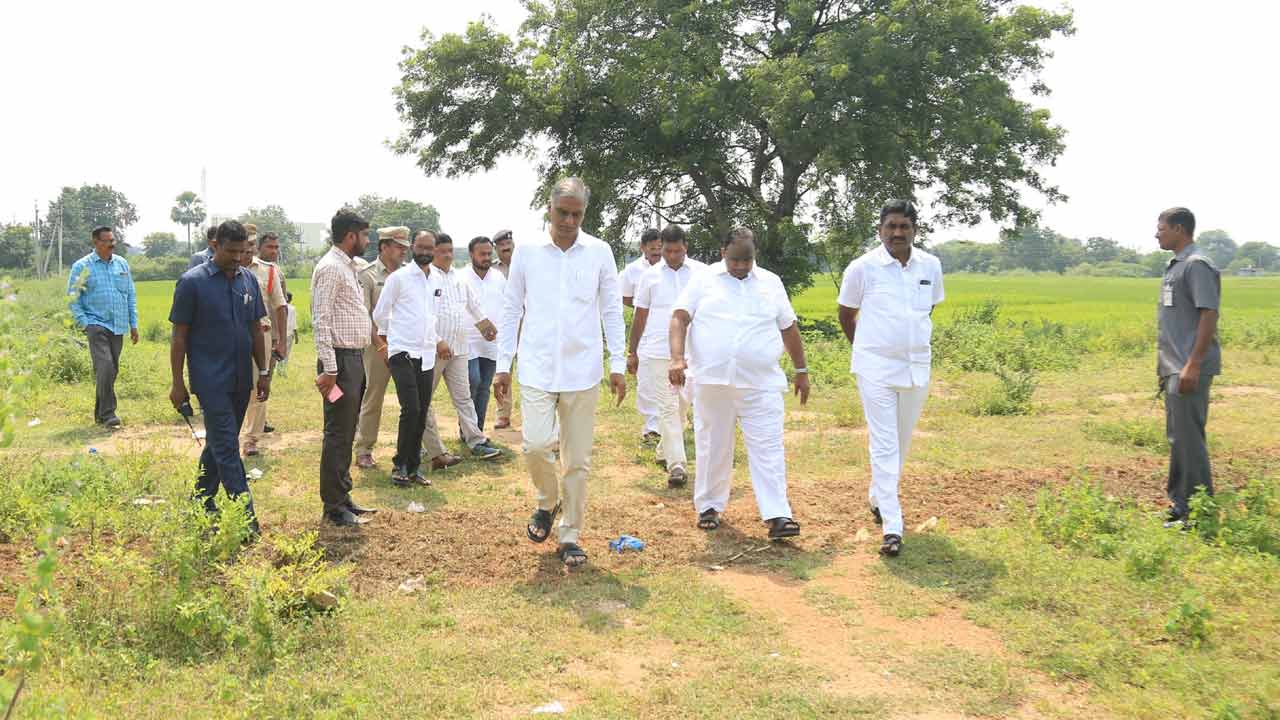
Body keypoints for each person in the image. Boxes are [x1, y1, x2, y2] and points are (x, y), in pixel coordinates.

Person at [494, 177, 627, 568]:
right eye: (562, 212)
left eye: (576, 214)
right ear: (548, 210)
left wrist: (617, 363)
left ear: (584, 214)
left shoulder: (599, 252)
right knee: (535, 445)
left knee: (578, 461)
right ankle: (547, 502)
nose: (569, 220)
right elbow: (511, 309)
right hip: (536, 367)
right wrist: (504, 364)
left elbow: (611, 311)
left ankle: (570, 535)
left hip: (583, 371)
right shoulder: (528, 253)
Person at [669, 227, 809, 540]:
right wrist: (677, 358)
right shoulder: (704, 280)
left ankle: (777, 514)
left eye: (747, 259)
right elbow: (679, 317)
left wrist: (802, 369)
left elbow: (788, 327)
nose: (742, 266)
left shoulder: (770, 282)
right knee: (712, 444)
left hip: (760, 383)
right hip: (713, 381)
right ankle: (709, 507)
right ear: (722, 253)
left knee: (768, 447)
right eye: (735, 260)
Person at [836, 200, 944, 557]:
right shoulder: (863, 268)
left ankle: (877, 495)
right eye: (891, 226)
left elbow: (928, 309)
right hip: (875, 368)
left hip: (915, 367)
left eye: (904, 227)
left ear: (914, 228)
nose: (897, 233)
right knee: (884, 444)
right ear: (880, 229)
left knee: (901, 442)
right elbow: (846, 313)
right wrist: (865, 350)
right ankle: (892, 525)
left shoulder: (930, 265)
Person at [169, 220, 270, 536]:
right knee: (227, 445)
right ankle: (245, 520)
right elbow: (179, 337)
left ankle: (200, 500)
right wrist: (177, 383)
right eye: (231, 251)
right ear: (215, 246)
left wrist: (263, 371)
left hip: (242, 378)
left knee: (218, 442)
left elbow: (256, 329)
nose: (238, 257)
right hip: (209, 379)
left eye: (243, 251)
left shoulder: (248, 282)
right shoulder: (192, 283)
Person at [1155, 207, 1221, 529]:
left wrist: (1193, 365)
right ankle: (1181, 505)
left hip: (1188, 367)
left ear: (1179, 229)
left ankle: (1198, 512)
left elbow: (1209, 315)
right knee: (1179, 438)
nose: (1157, 234)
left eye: (1161, 228)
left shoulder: (1197, 265)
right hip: (1174, 366)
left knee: (1190, 441)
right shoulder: (1175, 266)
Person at [312, 210, 378, 527]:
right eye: (365, 235)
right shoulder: (330, 268)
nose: (367, 241)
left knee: (347, 430)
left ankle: (343, 495)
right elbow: (321, 321)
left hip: (353, 359)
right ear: (351, 235)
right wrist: (330, 368)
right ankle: (334, 506)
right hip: (339, 364)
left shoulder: (348, 267)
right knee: (338, 432)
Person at [628, 224, 707, 486]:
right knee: (668, 406)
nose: (673, 256)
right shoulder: (649, 277)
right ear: (661, 248)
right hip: (657, 350)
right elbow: (640, 316)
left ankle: (664, 450)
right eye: (668, 251)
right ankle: (677, 465)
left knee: (683, 405)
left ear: (686, 247)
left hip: (692, 352)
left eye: (678, 250)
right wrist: (632, 351)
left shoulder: (701, 274)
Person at [421, 233, 502, 464]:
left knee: (464, 397)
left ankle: (476, 441)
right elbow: (423, 316)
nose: (447, 254)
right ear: (433, 252)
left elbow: (473, 306)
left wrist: (487, 327)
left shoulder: (458, 277)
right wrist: (438, 341)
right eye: (441, 250)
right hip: (434, 349)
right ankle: (422, 445)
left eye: (449, 250)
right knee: (423, 400)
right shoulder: (426, 277)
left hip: (459, 347)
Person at [372, 231, 443, 487]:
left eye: (429, 248)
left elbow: (430, 317)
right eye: (421, 246)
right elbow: (380, 314)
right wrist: (397, 334)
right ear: (413, 247)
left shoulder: (436, 279)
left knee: (422, 411)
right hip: (402, 351)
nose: (425, 251)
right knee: (410, 408)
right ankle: (399, 465)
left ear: (434, 250)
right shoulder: (399, 278)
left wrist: (433, 340)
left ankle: (413, 468)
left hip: (426, 354)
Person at [67, 226, 139, 428]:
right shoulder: (82, 266)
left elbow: (130, 295)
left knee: (110, 370)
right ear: (96, 243)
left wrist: (134, 324)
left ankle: (100, 413)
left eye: (113, 240)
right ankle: (109, 414)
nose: (112, 244)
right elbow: (73, 298)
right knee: (105, 365)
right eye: (107, 241)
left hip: (118, 325)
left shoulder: (122, 264)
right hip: (95, 324)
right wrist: (85, 322)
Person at [353, 227, 410, 469]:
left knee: (414, 399)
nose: (403, 251)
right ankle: (364, 449)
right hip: (379, 346)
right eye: (398, 246)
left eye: (405, 247)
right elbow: (365, 316)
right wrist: (380, 346)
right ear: (384, 246)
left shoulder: (410, 274)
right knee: (373, 398)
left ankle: (420, 448)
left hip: (407, 345)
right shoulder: (367, 275)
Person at [239, 233, 288, 457]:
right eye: (244, 245)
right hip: (231, 337)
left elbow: (280, 306)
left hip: (262, 336)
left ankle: (251, 439)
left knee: (259, 384)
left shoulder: (268, 271)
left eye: (251, 245)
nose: (247, 249)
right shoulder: (222, 270)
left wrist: (281, 341)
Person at [619, 228, 664, 442]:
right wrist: (643, 306)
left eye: (659, 247)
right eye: (652, 248)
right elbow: (625, 297)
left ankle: (673, 421)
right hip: (645, 331)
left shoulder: (673, 267)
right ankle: (651, 427)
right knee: (646, 379)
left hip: (670, 331)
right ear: (643, 248)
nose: (657, 251)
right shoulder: (633, 270)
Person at [461, 236, 507, 432]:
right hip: (467, 340)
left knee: (484, 386)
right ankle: (467, 428)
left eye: (489, 253)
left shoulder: (499, 278)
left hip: (492, 342)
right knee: (473, 381)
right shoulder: (460, 277)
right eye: (482, 254)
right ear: (472, 254)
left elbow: (507, 308)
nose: (486, 258)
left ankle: (476, 431)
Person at [491, 230, 516, 429]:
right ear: (496, 248)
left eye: (509, 243)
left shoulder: (525, 265)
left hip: (529, 322)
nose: (506, 248)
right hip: (504, 324)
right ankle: (503, 414)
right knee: (503, 368)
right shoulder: (492, 271)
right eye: (502, 245)